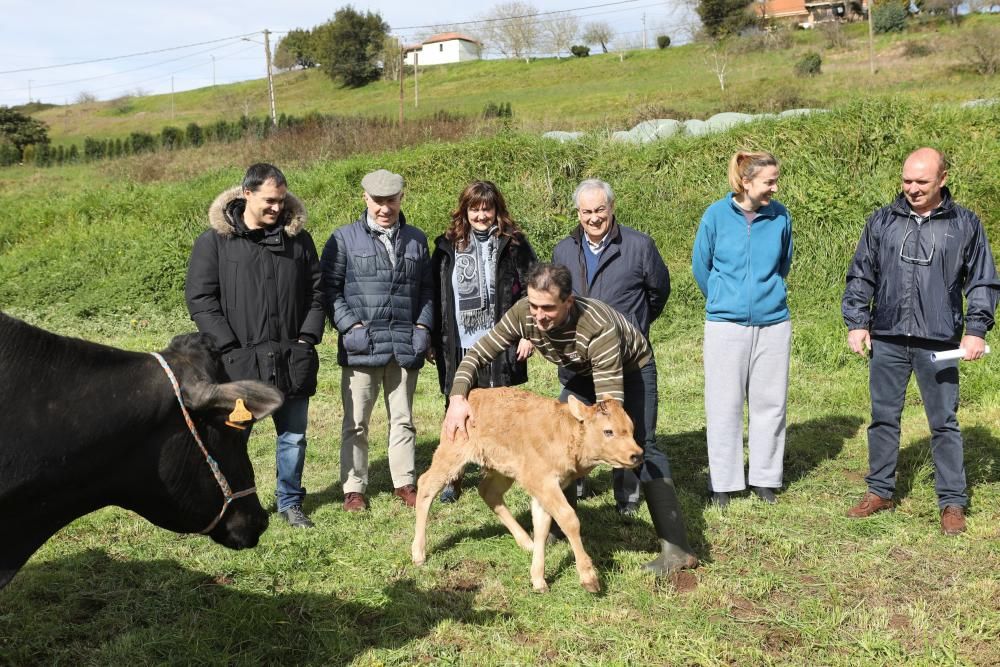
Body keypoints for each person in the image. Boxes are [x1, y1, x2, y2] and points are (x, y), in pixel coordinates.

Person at [443, 263, 699, 576]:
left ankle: (677, 549)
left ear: (569, 302)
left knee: (641, 443)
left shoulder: (597, 326)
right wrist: (457, 398)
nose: (538, 315)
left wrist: (596, 449)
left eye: (548, 308)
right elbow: (480, 351)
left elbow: (608, 407)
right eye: (534, 306)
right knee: (559, 439)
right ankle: (562, 526)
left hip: (628, 369)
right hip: (580, 369)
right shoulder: (525, 311)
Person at [842, 147, 999, 535]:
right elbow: (862, 273)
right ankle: (880, 490)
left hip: (939, 341)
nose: (912, 188)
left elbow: (981, 279)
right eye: (907, 180)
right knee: (883, 418)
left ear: (942, 179)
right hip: (888, 336)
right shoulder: (882, 220)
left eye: (921, 182)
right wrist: (857, 321)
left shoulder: (965, 224)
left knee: (943, 422)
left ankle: (952, 502)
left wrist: (976, 329)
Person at [185, 162, 325, 529]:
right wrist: (228, 346)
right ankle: (231, 502)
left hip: (292, 360)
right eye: (268, 200)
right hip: (241, 367)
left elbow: (317, 292)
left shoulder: (300, 241)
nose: (276, 208)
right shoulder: (215, 243)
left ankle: (290, 503)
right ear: (246, 194)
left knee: (293, 437)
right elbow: (201, 299)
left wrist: (307, 337)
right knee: (234, 437)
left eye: (280, 201)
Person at [553, 178, 670, 515]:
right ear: (578, 212)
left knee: (635, 431)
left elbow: (658, 292)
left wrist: (635, 326)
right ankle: (570, 495)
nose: (594, 218)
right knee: (567, 428)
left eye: (600, 210)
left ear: (611, 208)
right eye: (587, 211)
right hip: (579, 364)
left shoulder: (639, 246)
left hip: (628, 362)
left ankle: (628, 499)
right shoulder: (563, 251)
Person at [321, 169, 434, 512]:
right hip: (362, 346)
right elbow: (329, 289)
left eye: (391, 201)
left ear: (401, 198)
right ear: (365, 199)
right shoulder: (342, 239)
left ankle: (405, 482)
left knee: (403, 419)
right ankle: (354, 488)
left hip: (403, 344)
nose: (385, 208)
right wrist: (350, 326)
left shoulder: (416, 239)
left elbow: (427, 290)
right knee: (356, 421)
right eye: (378, 201)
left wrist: (423, 327)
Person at [692, 151, 793, 508]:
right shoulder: (715, 216)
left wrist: (766, 296)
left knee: (771, 403)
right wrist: (725, 299)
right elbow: (701, 266)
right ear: (746, 182)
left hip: (774, 323)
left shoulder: (781, 216)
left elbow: (783, 264)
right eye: (769, 181)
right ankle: (724, 482)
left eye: (775, 180)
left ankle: (765, 478)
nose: (775, 187)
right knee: (724, 404)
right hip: (725, 324)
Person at [431, 180, 537, 503]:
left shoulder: (514, 244)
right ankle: (453, 474)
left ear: (496, 210)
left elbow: (534, 287)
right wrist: (435, 339)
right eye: (474, 208)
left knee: (499, 407)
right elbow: (436, 295)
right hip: (459, 340)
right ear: (465, 210)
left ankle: (496, 468)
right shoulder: (446, 246)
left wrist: (529, 333)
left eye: (486, 208)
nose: (481, 214)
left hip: (500, 340)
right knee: (458, 404)